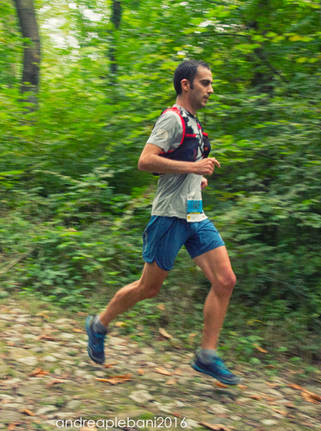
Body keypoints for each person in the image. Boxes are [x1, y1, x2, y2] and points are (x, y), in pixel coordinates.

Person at [86, 59, 240, 385]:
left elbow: (179, 165)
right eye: (205, 83)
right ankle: (99, 324)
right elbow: (145, 161)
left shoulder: (195, 124)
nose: (211, 90)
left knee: (225, 280)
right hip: (169, 217)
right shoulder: (171, 119)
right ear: (186, 85)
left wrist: (196, 179)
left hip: (195, 216)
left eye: (211, 84)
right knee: (149, 288)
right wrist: (193, 170)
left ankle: (206, 356)